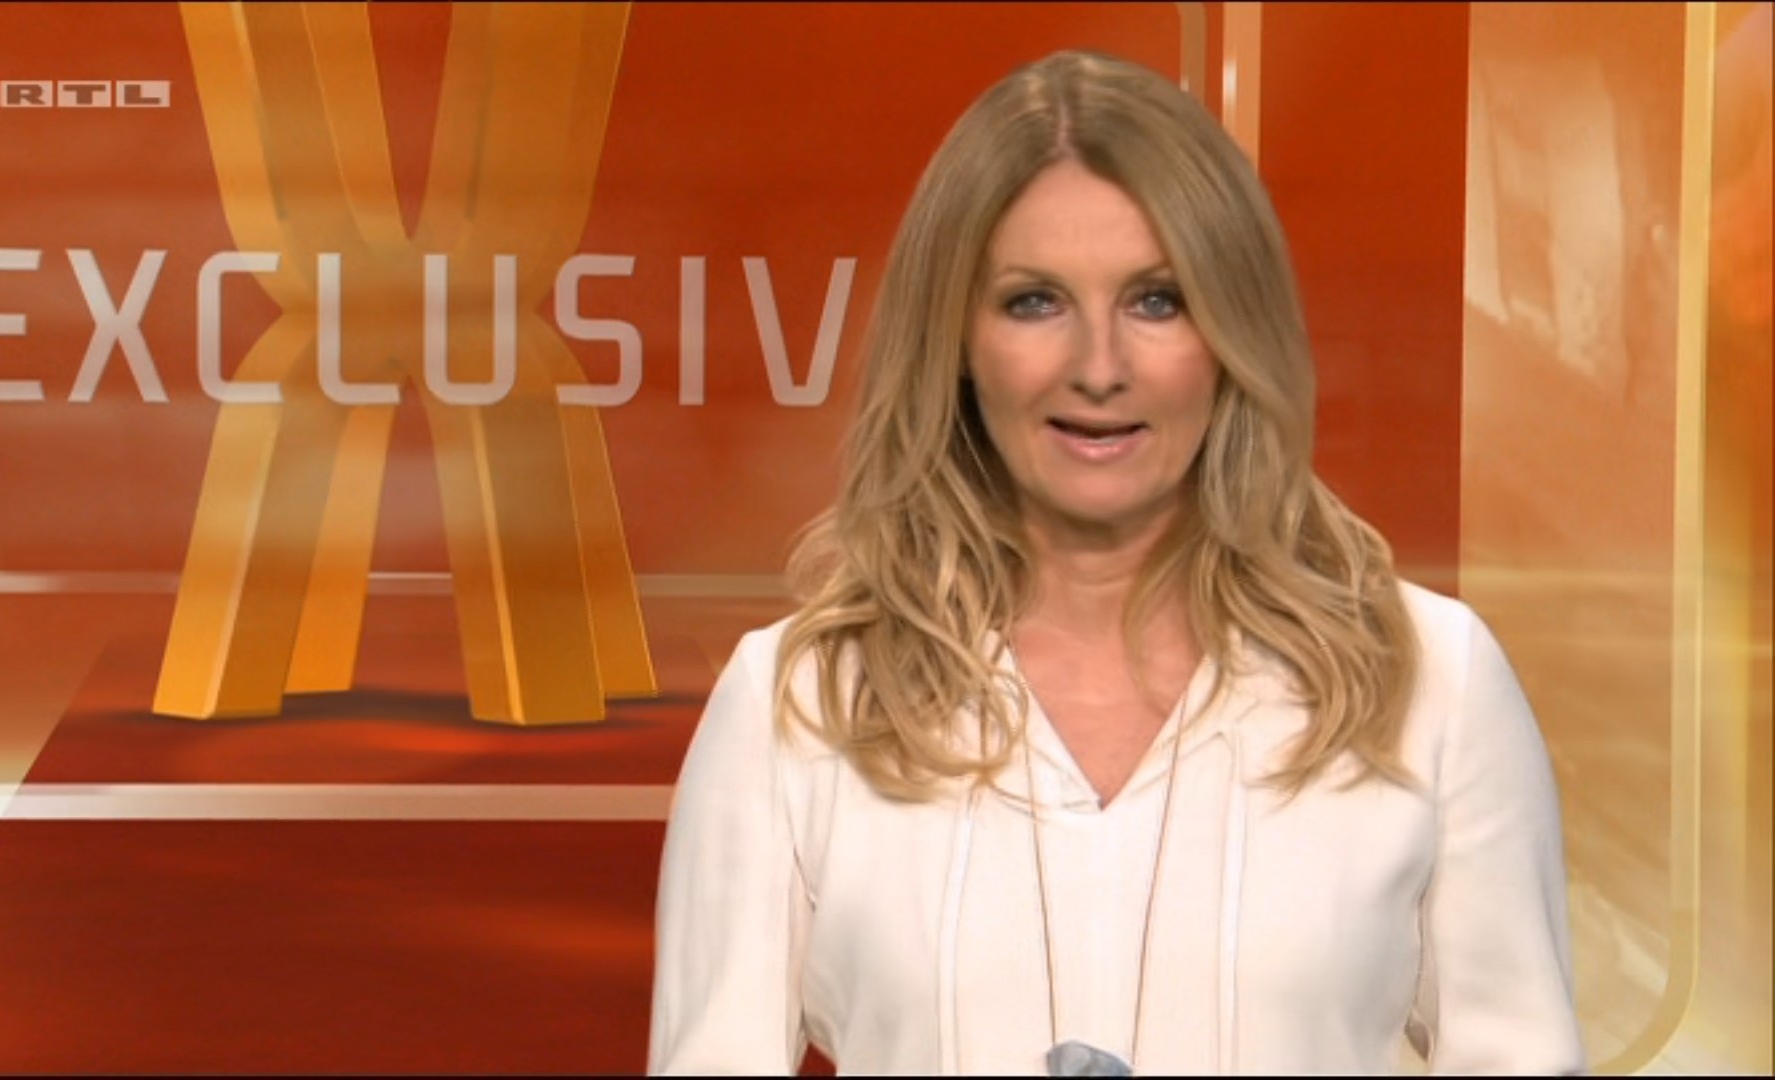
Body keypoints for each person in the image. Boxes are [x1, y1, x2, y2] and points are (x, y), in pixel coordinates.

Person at [648, 49, 1583, 1076]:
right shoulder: (799, 705)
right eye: (1034, 303)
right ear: (956, 339)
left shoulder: (1430, 683)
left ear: (1233, 333)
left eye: (1157, 300)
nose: (1099, 368)